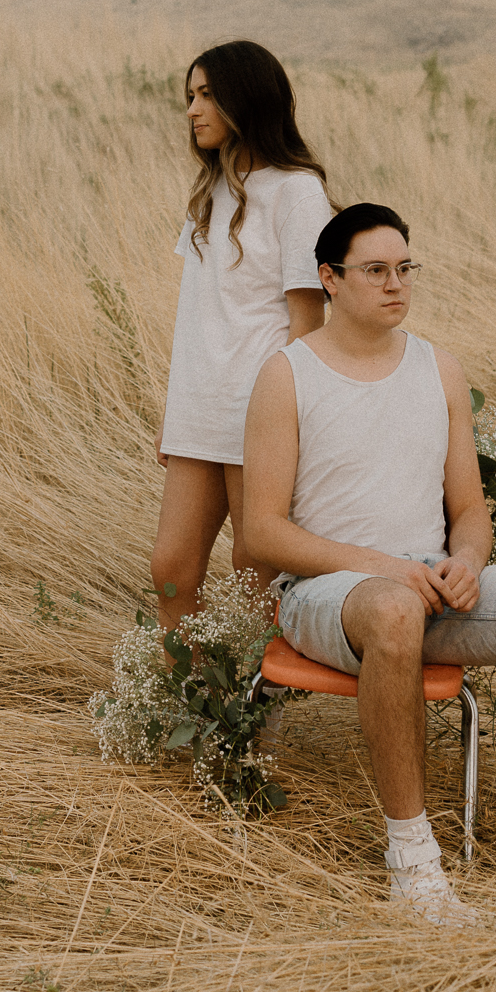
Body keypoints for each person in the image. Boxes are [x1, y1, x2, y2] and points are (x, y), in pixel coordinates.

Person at [242, 201, 496, 926]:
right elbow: (263, 533)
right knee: (394, 608)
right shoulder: (288, 375)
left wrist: (466, 560)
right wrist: (385, 570)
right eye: (375, 271)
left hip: (431, 587)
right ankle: (414, 864)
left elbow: (469, 510)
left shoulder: (439, 369)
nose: (395, 285)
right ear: (329, 279)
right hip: (327, 596)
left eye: (405, 269)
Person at [151, 40, 332, 631]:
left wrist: (292, 421)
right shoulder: (211, 190)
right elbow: (194, 312)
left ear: (243, 98)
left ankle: (257, 723)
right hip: (201, 408)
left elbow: (307, 321)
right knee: (172, 570)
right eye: (190, 96)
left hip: (261, 408)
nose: (192, 109)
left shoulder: (296, 191)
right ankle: (193, 712)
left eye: (206, 95)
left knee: (254, 577)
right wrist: (174, 415)